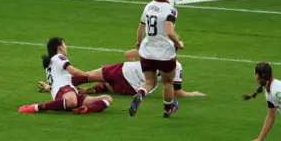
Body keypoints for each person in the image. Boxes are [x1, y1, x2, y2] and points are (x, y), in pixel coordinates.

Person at [37, 50, 206, 98]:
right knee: (110, 87)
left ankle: (57, 88)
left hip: (124, 69)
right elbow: (176, 91)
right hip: (131, 88)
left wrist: (137, 53)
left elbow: (127, 53)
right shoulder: (178, 66)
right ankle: (94, 90)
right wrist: (193, 94)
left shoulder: (152, 51)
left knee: (89, 75)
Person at [128, 0, 184, 118]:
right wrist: (179, 42)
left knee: (149, 82)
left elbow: (141, 27)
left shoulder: (148, 7)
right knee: (167, 82)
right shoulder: (171, 10)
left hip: (147, 51)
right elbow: (170, 32)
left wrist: (139, 42)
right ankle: (167, 111)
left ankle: (140, 94)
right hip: (164, 53)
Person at [19, 37, 113, 115]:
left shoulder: (52, 62)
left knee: (107, 98)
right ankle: (36, 107)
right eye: (64, 45)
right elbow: (72, 70)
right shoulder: (58, 57)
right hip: (64, 90)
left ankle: (84, 109)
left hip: (68, 92)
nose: (66, 47)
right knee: (72, 102)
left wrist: (47, 87)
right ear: (59, 47)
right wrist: (87, 74)